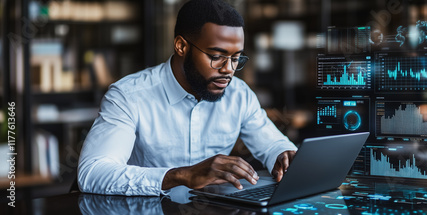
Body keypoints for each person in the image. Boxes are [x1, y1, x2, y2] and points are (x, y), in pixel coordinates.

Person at [78, 0, 297, 196]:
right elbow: (93, 173)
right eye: (216, 57)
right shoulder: (129, 96)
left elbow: (273, 145)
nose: (228, 70)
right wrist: (181, 176)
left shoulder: (239, 94)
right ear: (181, 46)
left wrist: (283, 156)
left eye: (236, 58)